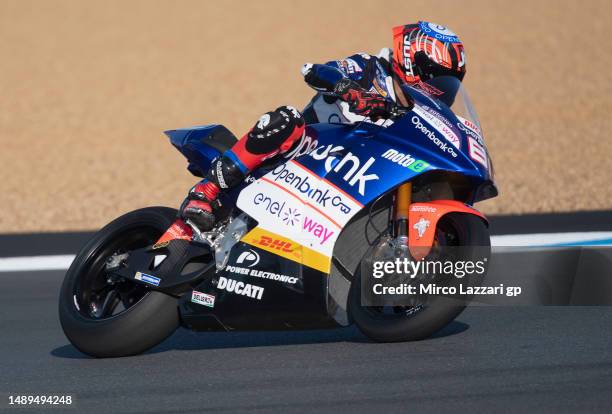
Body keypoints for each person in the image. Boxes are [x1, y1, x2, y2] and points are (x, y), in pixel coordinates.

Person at [158, 21, 467, 240]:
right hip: (303, 152)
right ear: (412, 61)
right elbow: (316, 71)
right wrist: (349, 89)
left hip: (345, 178)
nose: (440, 89)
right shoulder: (371, 68)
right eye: (437, 78)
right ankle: (207, 191)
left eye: (448, 83)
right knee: (287, 118)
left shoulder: (418, 116)